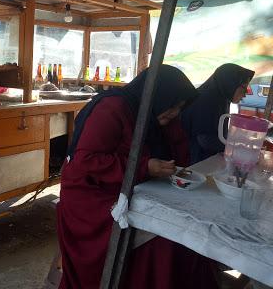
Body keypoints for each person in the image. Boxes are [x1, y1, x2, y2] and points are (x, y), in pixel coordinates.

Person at [57, 64, 217, 289]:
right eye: (173, 105)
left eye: (180, 107)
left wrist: (176, 166)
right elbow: (86, 160)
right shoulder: (113, 108)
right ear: (159, 94)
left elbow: (177, 145)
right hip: (90, 195)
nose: (175, 113)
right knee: (162, 239)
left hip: (130, 186)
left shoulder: (155, 113)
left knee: (186, 228)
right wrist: (144, 166)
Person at [181, 63, 255, 164]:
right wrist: (235, 146)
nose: (246, 93)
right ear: (230, 84)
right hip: (194, 161)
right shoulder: (206, 100)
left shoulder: (221, 98)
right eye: (244, 88)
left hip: (206, 158)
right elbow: (204, 139)